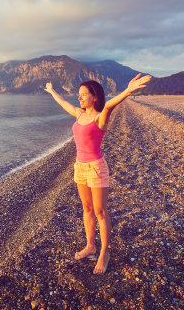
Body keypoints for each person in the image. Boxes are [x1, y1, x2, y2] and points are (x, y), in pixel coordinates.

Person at [44, 74, 151, 274]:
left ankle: (104, 253)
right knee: (86, 208)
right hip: (80, 167)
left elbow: (110, 105)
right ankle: (90, 246)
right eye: (79, 95)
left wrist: (128, 90)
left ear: (95, 97)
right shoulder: (79, 114)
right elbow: (64, 103)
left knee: (100, 211)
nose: (80, 98)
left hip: (96, 168)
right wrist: (52, 92)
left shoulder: (100, 117)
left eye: (84, 95)